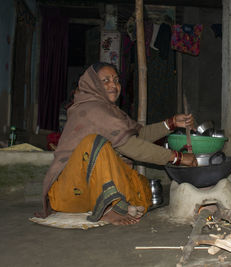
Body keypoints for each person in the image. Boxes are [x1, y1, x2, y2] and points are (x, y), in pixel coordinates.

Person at [36, 62, 197, 226]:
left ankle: (110, 203)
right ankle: (108, 209)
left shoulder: (111, 111)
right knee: (95, 143)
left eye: (116, 80)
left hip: (89, 194)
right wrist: (178, 157)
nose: (113, 85)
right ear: (93, 84)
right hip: (69, 192)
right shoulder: (91, 109)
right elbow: (131, 146)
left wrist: (171, 123)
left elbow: (138, 135)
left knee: (142, 188)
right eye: (105, 80)